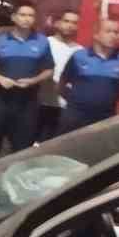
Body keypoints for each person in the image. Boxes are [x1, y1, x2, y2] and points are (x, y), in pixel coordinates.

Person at [0, 1, 54, 163]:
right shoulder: (0, 40)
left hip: (28, 102)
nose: (27, 19)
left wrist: (33, 80)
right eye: (23, 15)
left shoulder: (42, 41)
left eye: (31, 16)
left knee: (21, 151)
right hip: (1, 100)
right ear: (14, 17)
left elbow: (49, 70)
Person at [58, 19, 119, 134]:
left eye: (116, 32)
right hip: (74, 118)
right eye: (108, 31)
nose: (113, 35)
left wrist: (105, 100)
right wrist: (76, 100)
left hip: (105, 119)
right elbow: (62, 83)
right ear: (96, 35)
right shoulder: (79, 56)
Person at [38, 9, 82, 142]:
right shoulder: (44, 43)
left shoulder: (80, 51)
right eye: (66, 21)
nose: (70, 25)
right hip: (39, 102)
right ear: (57, 23)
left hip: (63, 108)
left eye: (74, 22)